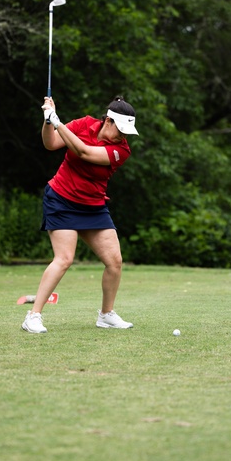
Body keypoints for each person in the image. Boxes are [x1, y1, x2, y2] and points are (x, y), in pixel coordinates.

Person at [21, 95, 139, 334]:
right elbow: (51, 144)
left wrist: (58, 121)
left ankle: (106, 315)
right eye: (120, 130)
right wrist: (48, 121)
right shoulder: (84, 124)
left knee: (114, 262)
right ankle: (32, 316)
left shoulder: (121, 150)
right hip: (61, 199)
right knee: (64, 258)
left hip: (93, 206)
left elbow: (84, 152)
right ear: (108, 121)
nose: (123, 136)